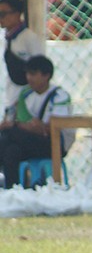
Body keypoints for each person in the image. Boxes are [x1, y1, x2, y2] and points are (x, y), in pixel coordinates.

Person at [0, 55, 72, 188]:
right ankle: (14, 191)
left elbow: (49, 129)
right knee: (11, 151)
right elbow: (26, 124)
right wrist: (26, 126)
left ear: (46, 76)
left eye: (33, 74)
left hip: (54, 144)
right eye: (27, 73)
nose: (29, 78)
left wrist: (18, 125)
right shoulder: (26, 94)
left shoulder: (59, 96)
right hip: (28, 141)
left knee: (10, 133)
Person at [0, 0, 45, 112]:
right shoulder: (7, 39)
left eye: (3, 14)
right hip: (12, 97)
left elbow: (41, 69)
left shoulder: (29, 37)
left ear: (17, 13)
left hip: (27, 101)